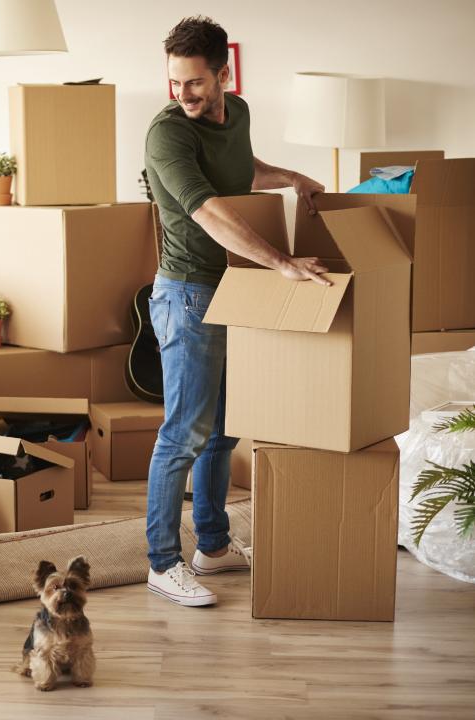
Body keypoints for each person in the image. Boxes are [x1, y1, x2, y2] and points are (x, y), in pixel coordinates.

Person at [143, 16, 330, 607]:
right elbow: (210, 211)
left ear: (224, 74)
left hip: (233, 289)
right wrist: (281, 262)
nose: (183, 94)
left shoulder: (239, 112)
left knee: (223, 432)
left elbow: (240, 171)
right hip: (188, 294)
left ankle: (213, 546)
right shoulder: (167, 134)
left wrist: (290, 177)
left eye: (195, 83)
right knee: (183, 434)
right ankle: (162, 562)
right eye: (175, 83)